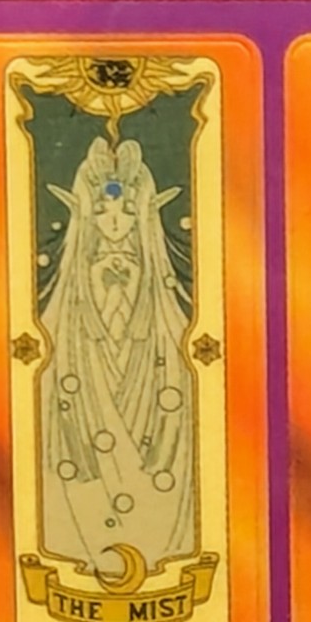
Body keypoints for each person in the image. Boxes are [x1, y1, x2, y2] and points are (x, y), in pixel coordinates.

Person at [37, 134, 198, 576]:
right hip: (89, 374)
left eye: (125, 211)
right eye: (103, 210)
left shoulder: (152, 274)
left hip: (143, 374)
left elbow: (156, 321)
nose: (113, 221)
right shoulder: (78, 275)